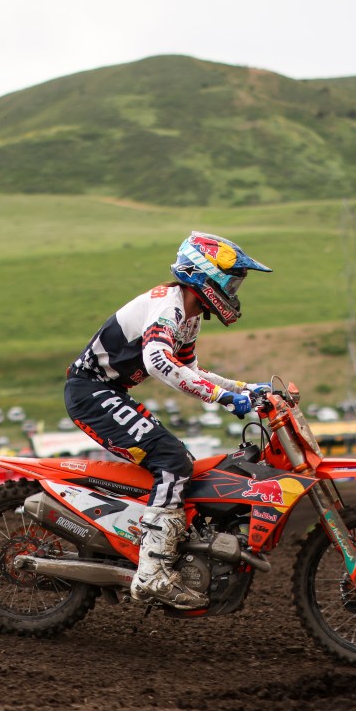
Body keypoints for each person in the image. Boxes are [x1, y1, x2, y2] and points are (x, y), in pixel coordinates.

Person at [65, 231, 271, 609]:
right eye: (231, 279)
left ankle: (149, 545)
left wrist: (246, 388)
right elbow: (158, 362)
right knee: (172, 462)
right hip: (90, 392)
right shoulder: (169, 306)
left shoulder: (189, 317)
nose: (235, 289)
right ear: (203, 274)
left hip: (108, 393)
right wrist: (225, 397)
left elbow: (189, 369)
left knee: (182, 462)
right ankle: (152, 573)